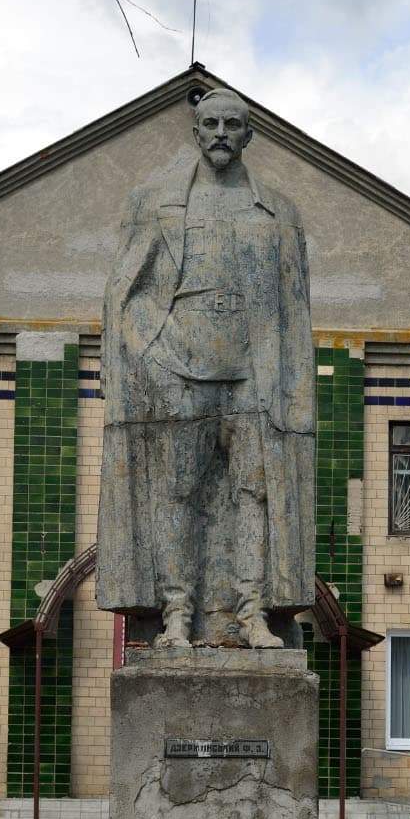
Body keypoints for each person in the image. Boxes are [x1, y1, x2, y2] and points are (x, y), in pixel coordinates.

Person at [97, 88, 315, 647]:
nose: (220, 132)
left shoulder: (278, 210)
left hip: (254, 376)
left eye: (232, 124)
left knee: (255, 495)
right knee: (177, 494)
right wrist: (148, 356)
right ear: (196, 133)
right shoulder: (157, 202)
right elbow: (124, 292)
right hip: (181, 370)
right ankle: (175, 615)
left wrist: (294, 387)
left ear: (249, 134)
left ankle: (252, 615)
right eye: (210, 123)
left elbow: (294, 305)